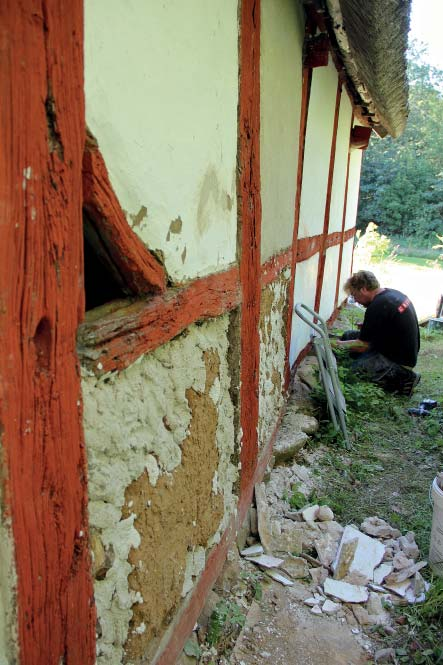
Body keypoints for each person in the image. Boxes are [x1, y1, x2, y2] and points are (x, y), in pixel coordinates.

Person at [332, 270, 420, 396]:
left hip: (399, 360)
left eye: (354, 295)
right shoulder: (391, 294)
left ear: (363, 289)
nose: (355, 301)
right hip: (398, 347)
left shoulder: (378, 305)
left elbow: (362, 346)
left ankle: (404, 379)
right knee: (348, 336)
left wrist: (336, 344)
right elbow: (391, 322)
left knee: (355, 372)